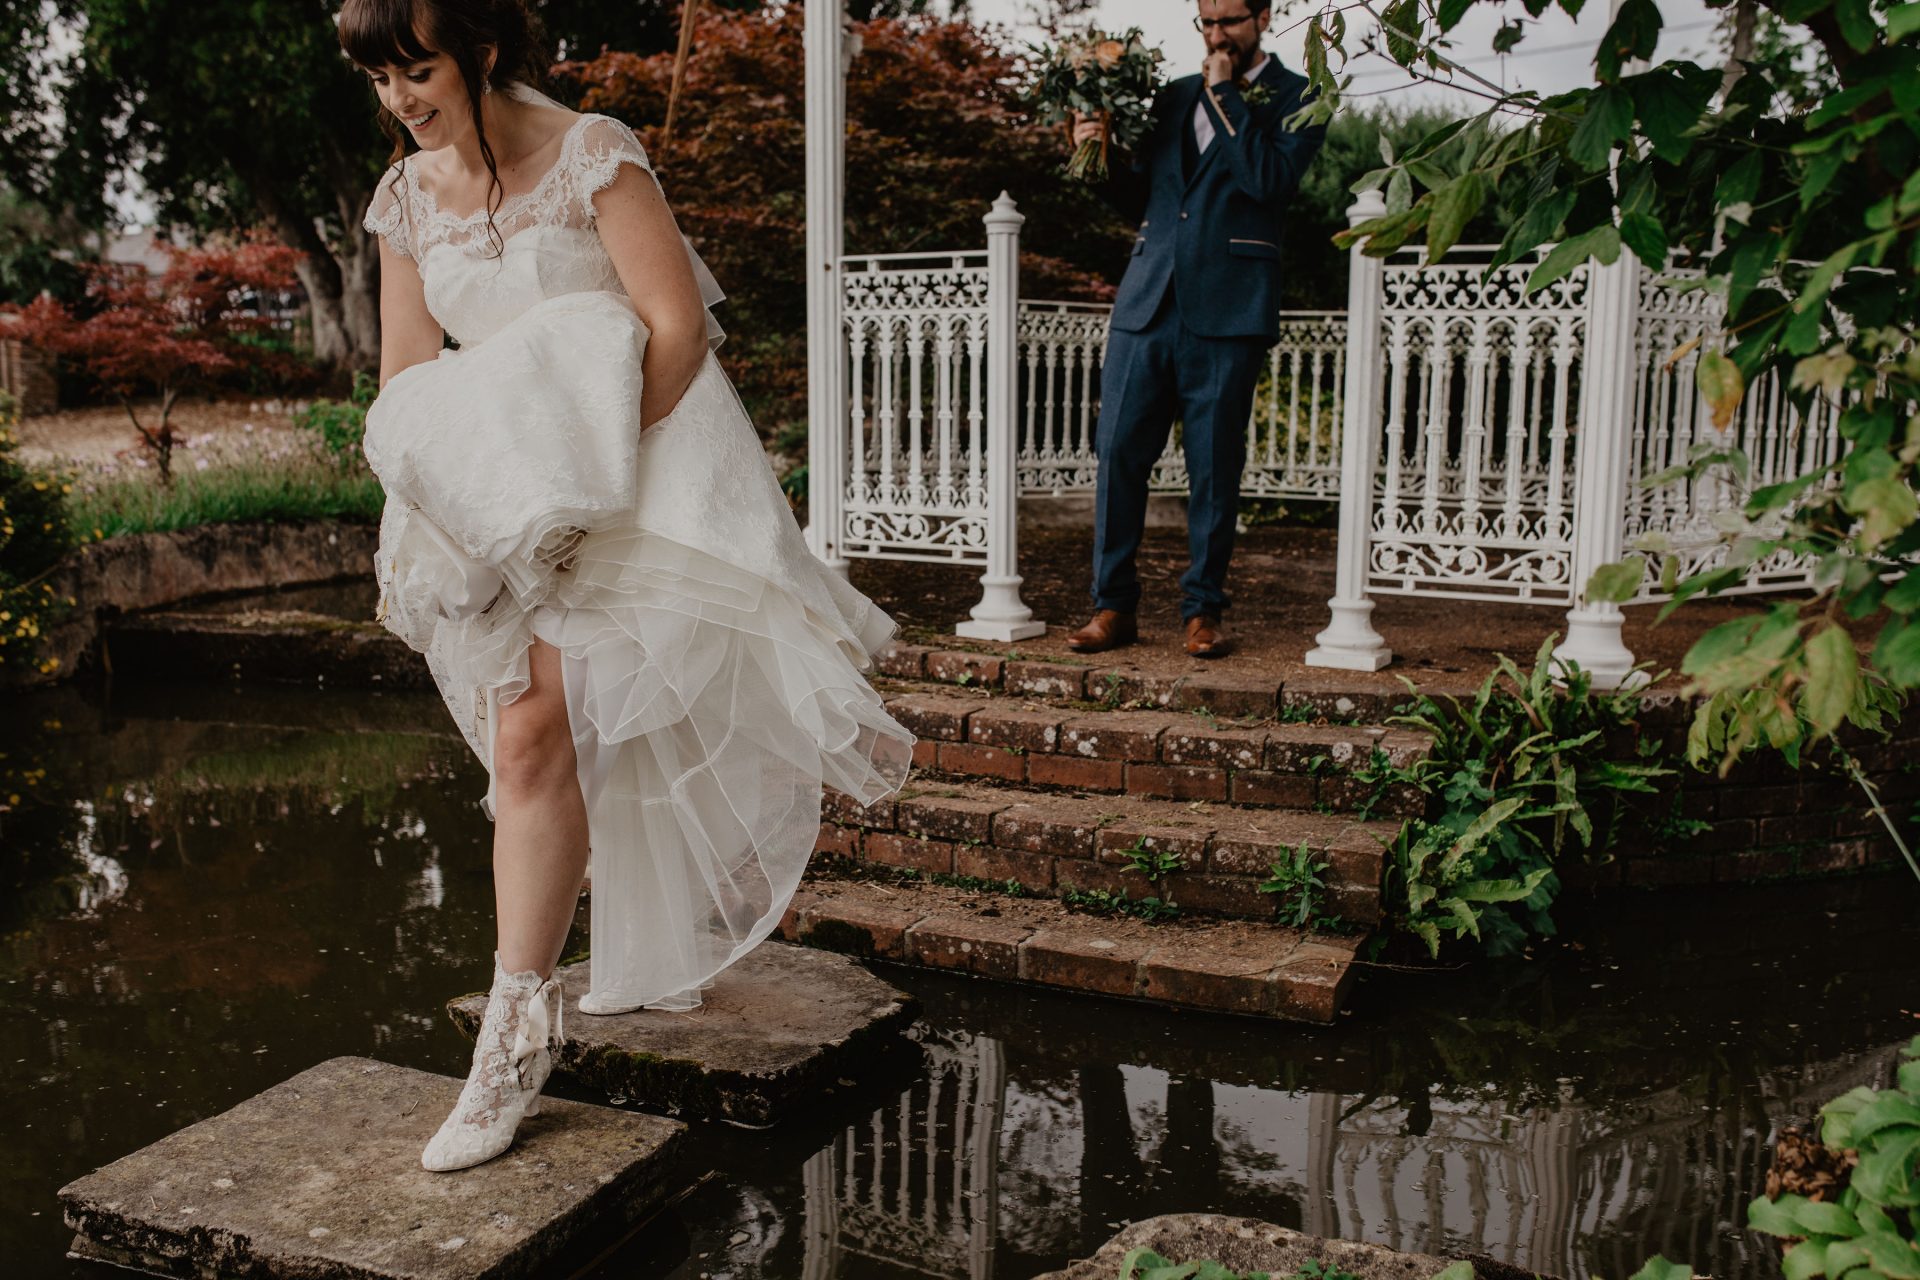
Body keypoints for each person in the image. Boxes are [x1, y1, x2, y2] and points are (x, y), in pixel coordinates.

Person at [340, 0, 913, 1172]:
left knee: (539, 737)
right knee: (535, 746)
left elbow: (675, 327)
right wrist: (482, 497)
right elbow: (403, 383)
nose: (399, 99)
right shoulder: (400, 201)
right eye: (378, 79)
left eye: (417, 69)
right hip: (499, 498)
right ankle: (614, 958)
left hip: (634, 468)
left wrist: (583, 480)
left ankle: (508, 1044)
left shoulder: (593, 149)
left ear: (478, 52)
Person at [1064, 0, 1326, 659]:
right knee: (1118, 453)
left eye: (1231, 21)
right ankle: (1112, 605)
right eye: (1207, 23)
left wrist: (1225, 94)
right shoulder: (1170, 97)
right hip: (1147, 303)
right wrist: (1094, 152)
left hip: (1229, 310)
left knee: (1214, 469)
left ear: (1264, 15)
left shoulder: (1301, 98)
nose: (1217, 36)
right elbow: (1145, 199)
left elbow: (1267, 181)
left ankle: (1202, 612)